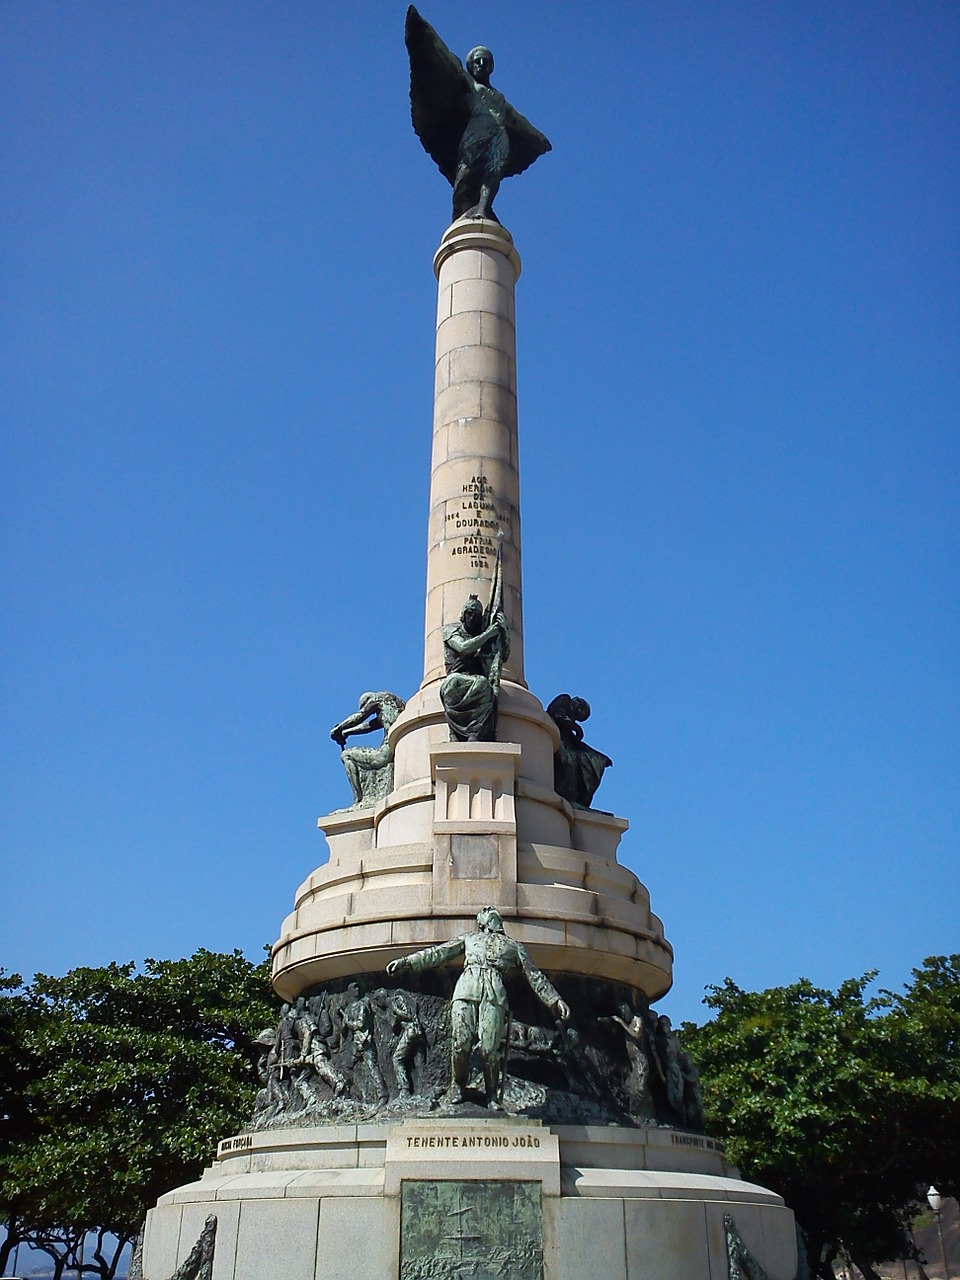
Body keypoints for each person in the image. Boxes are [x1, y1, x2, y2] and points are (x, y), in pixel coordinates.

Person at [387, 906, 569, 1109]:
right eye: (488, 913)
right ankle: (457, 1086)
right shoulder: (470, 938)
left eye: (493, 913)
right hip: (466, 990)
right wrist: (407, 961)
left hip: (494, 997)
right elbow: (439, 953)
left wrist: (555, 1000)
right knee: (460, 1044)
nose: (492, 914)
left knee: (489, 1049)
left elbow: (534, 976)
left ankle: (492, 1095)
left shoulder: (514, 946)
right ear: (482, 923)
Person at [440, 596, 509, 741]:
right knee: (453, 682)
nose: (472, 617)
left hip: (476, 680)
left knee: (483, 684)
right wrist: (489, 633)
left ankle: (474, 731)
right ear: (463, 615)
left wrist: (504, 633)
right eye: (469, 613)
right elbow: (464, 648)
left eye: (476, 614)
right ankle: (455, 732)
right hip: (456, 677)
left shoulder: (482, 636)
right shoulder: (451, 631)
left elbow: (502, 655)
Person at [330, 691, 406, 807]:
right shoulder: (395, 704)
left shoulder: (378, 698)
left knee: (346, 755)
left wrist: (339, 728)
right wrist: (347, 732)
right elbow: (369, 726)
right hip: (398, 749)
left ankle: (358, 801)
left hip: (386, 752)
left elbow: (360, 716)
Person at [547, 694, 613, 809]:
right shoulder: (564, 699)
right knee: (569, 760)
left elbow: (577, 742)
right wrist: (577, 729)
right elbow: (558, 716)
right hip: (555, 738)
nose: (576, 718)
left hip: (566, 742)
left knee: (587, 761)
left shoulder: (571, 724)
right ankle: (568, 796)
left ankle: (578, 799)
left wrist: (600, 757)